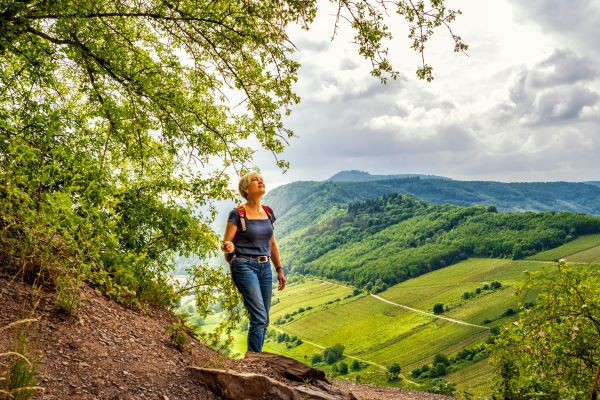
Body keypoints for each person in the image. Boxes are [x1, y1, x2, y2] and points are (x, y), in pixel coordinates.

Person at [221, 171, 286, 353]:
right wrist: (229, 247)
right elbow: (227, 243)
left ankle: (254, 359)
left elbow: (272, 243)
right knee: (259, 318)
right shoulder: (237, 214)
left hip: (265, 267)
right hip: (244, 265)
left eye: (261, 179)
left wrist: (279, 269)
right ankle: (254, 362)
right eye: (255, 180)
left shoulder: (267, 212)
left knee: (264, 319)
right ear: (245, 189)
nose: (260, 181)